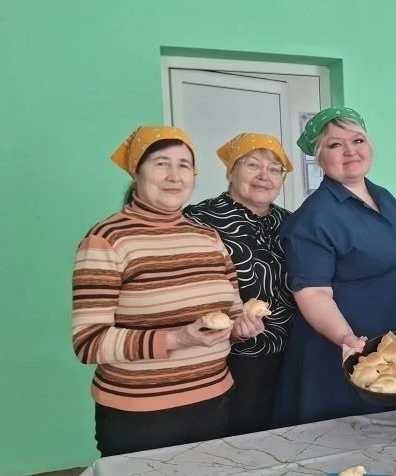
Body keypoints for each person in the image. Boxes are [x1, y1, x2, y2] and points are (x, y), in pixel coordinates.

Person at [72, 126, 264, 456]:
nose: (175, 176)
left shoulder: (208, 238)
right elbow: (88, 342)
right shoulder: (107, 240)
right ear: (137, 172)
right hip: (140, 413)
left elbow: (230, 314)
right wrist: (176, 339)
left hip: (215, 401)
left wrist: (241, 328)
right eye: (161, 163)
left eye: (184, 165)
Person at [276, 108, 396, 424]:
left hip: (394, 344)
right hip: (343, 352)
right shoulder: (314, 218)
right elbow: (312, 294)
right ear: (319, 157)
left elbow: (391, 258)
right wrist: (346, 338)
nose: (350, 151)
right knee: (348, 443)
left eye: (357, 140)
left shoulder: (383, 197)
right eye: (335, 145)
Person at [183, 133, 295, 436]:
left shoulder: (291, 223)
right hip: (227, 358)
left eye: (275, 169)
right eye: (252, 164)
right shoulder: (199, 220)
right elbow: (186, 289)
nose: (264, 176)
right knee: (235, 443)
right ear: (231, 170)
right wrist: (231, 327)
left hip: (290, 354)